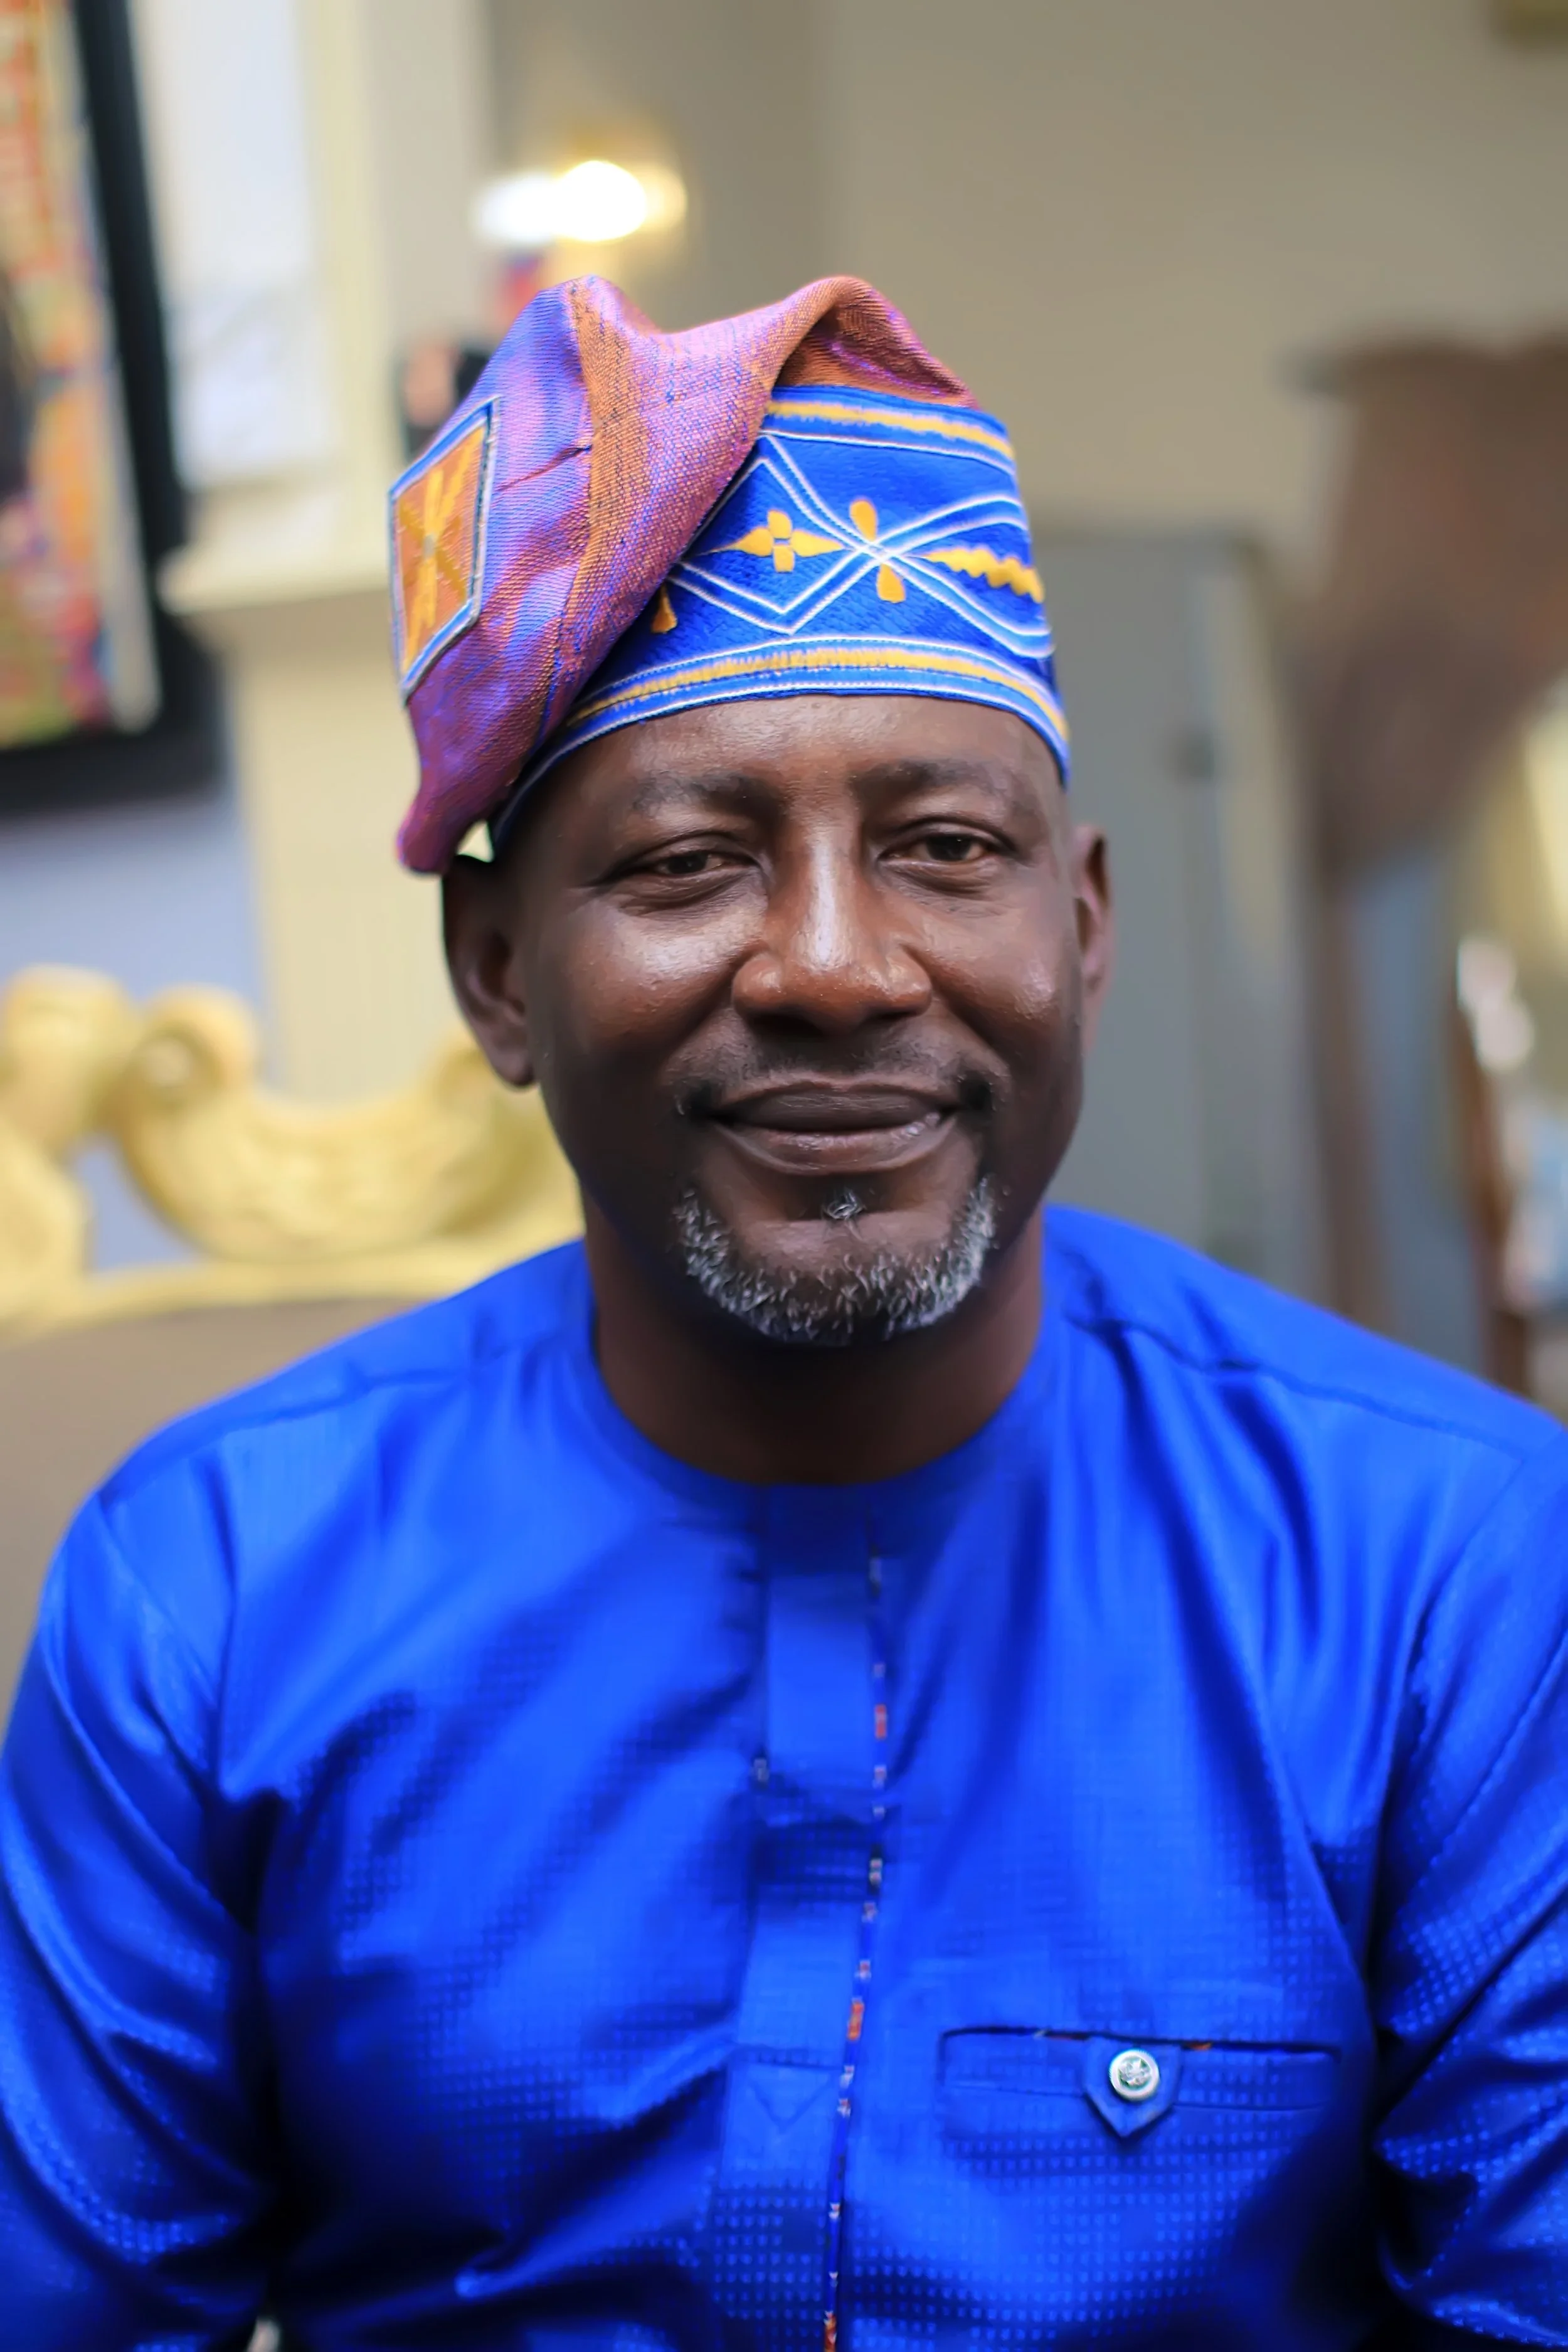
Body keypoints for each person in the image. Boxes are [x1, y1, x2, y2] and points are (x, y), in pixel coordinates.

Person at [1, 276, 1565, 2352]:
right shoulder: (217, 1592)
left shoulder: (1446, 1572)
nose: (834, 963)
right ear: (496, 971)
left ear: (1082, 926)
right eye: (686, 862)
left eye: (944, 847)